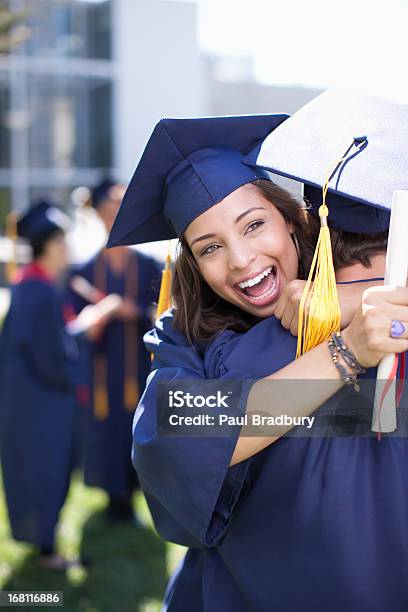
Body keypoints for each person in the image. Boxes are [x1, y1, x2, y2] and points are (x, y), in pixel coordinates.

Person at [107, 93, 408, 611]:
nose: (242, 260)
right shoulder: (189, 342)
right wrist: (344, 349)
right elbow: (179, 434)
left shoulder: (368, 288)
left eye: (253, 224)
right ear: (194, 266)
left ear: (290, 219)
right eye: (210, 247)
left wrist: (342, 301)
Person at [0, 200, 93, 570]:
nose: (68, 248)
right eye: (64, 241)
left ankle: (41, 545)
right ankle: (46, 552)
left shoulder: (30, 285)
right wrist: (85, 330)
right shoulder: (40, 292)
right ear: (52, 246)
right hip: (42, 406)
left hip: (27, 402)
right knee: (45, 471)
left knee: (37, 470)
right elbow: (53, 360)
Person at [68, 179, 161, 521]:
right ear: (99, 215)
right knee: (107, 428)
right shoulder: (84, 271)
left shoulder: (149, 265)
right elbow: (72, 328)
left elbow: (164, 312)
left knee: (138, 424)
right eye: (110, 210)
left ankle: (137, 494)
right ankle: (113, 496)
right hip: (103, 367)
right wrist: (96, 317)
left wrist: (132, 311)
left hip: (139, 364)